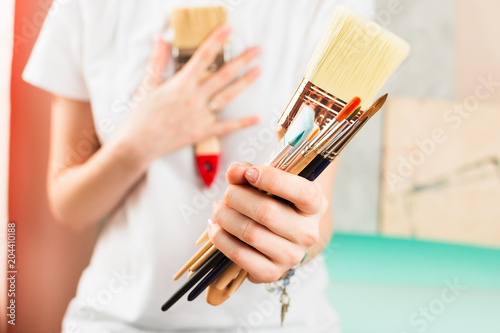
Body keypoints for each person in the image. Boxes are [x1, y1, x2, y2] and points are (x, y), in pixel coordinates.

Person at [24, 0, 373, 332]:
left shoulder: (328, 6)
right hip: (116, 320)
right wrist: (136, 144)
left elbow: (316, 220)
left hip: (280, 325)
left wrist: (290, 247)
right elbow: (69, 207)